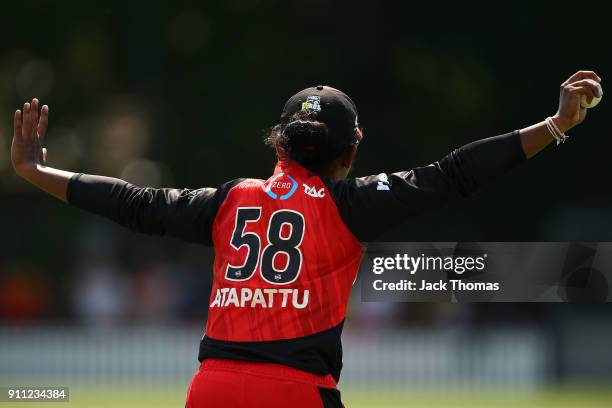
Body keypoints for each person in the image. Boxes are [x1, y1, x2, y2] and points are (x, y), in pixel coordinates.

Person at [10, 71, 601, 407]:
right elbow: (454, 174)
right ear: (354, 148)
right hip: (294, 394)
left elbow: (134, 202)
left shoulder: (228, 201)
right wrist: (554, 126)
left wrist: (38, 172)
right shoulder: (352, 207)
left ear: (280, 145)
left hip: (211, 389)